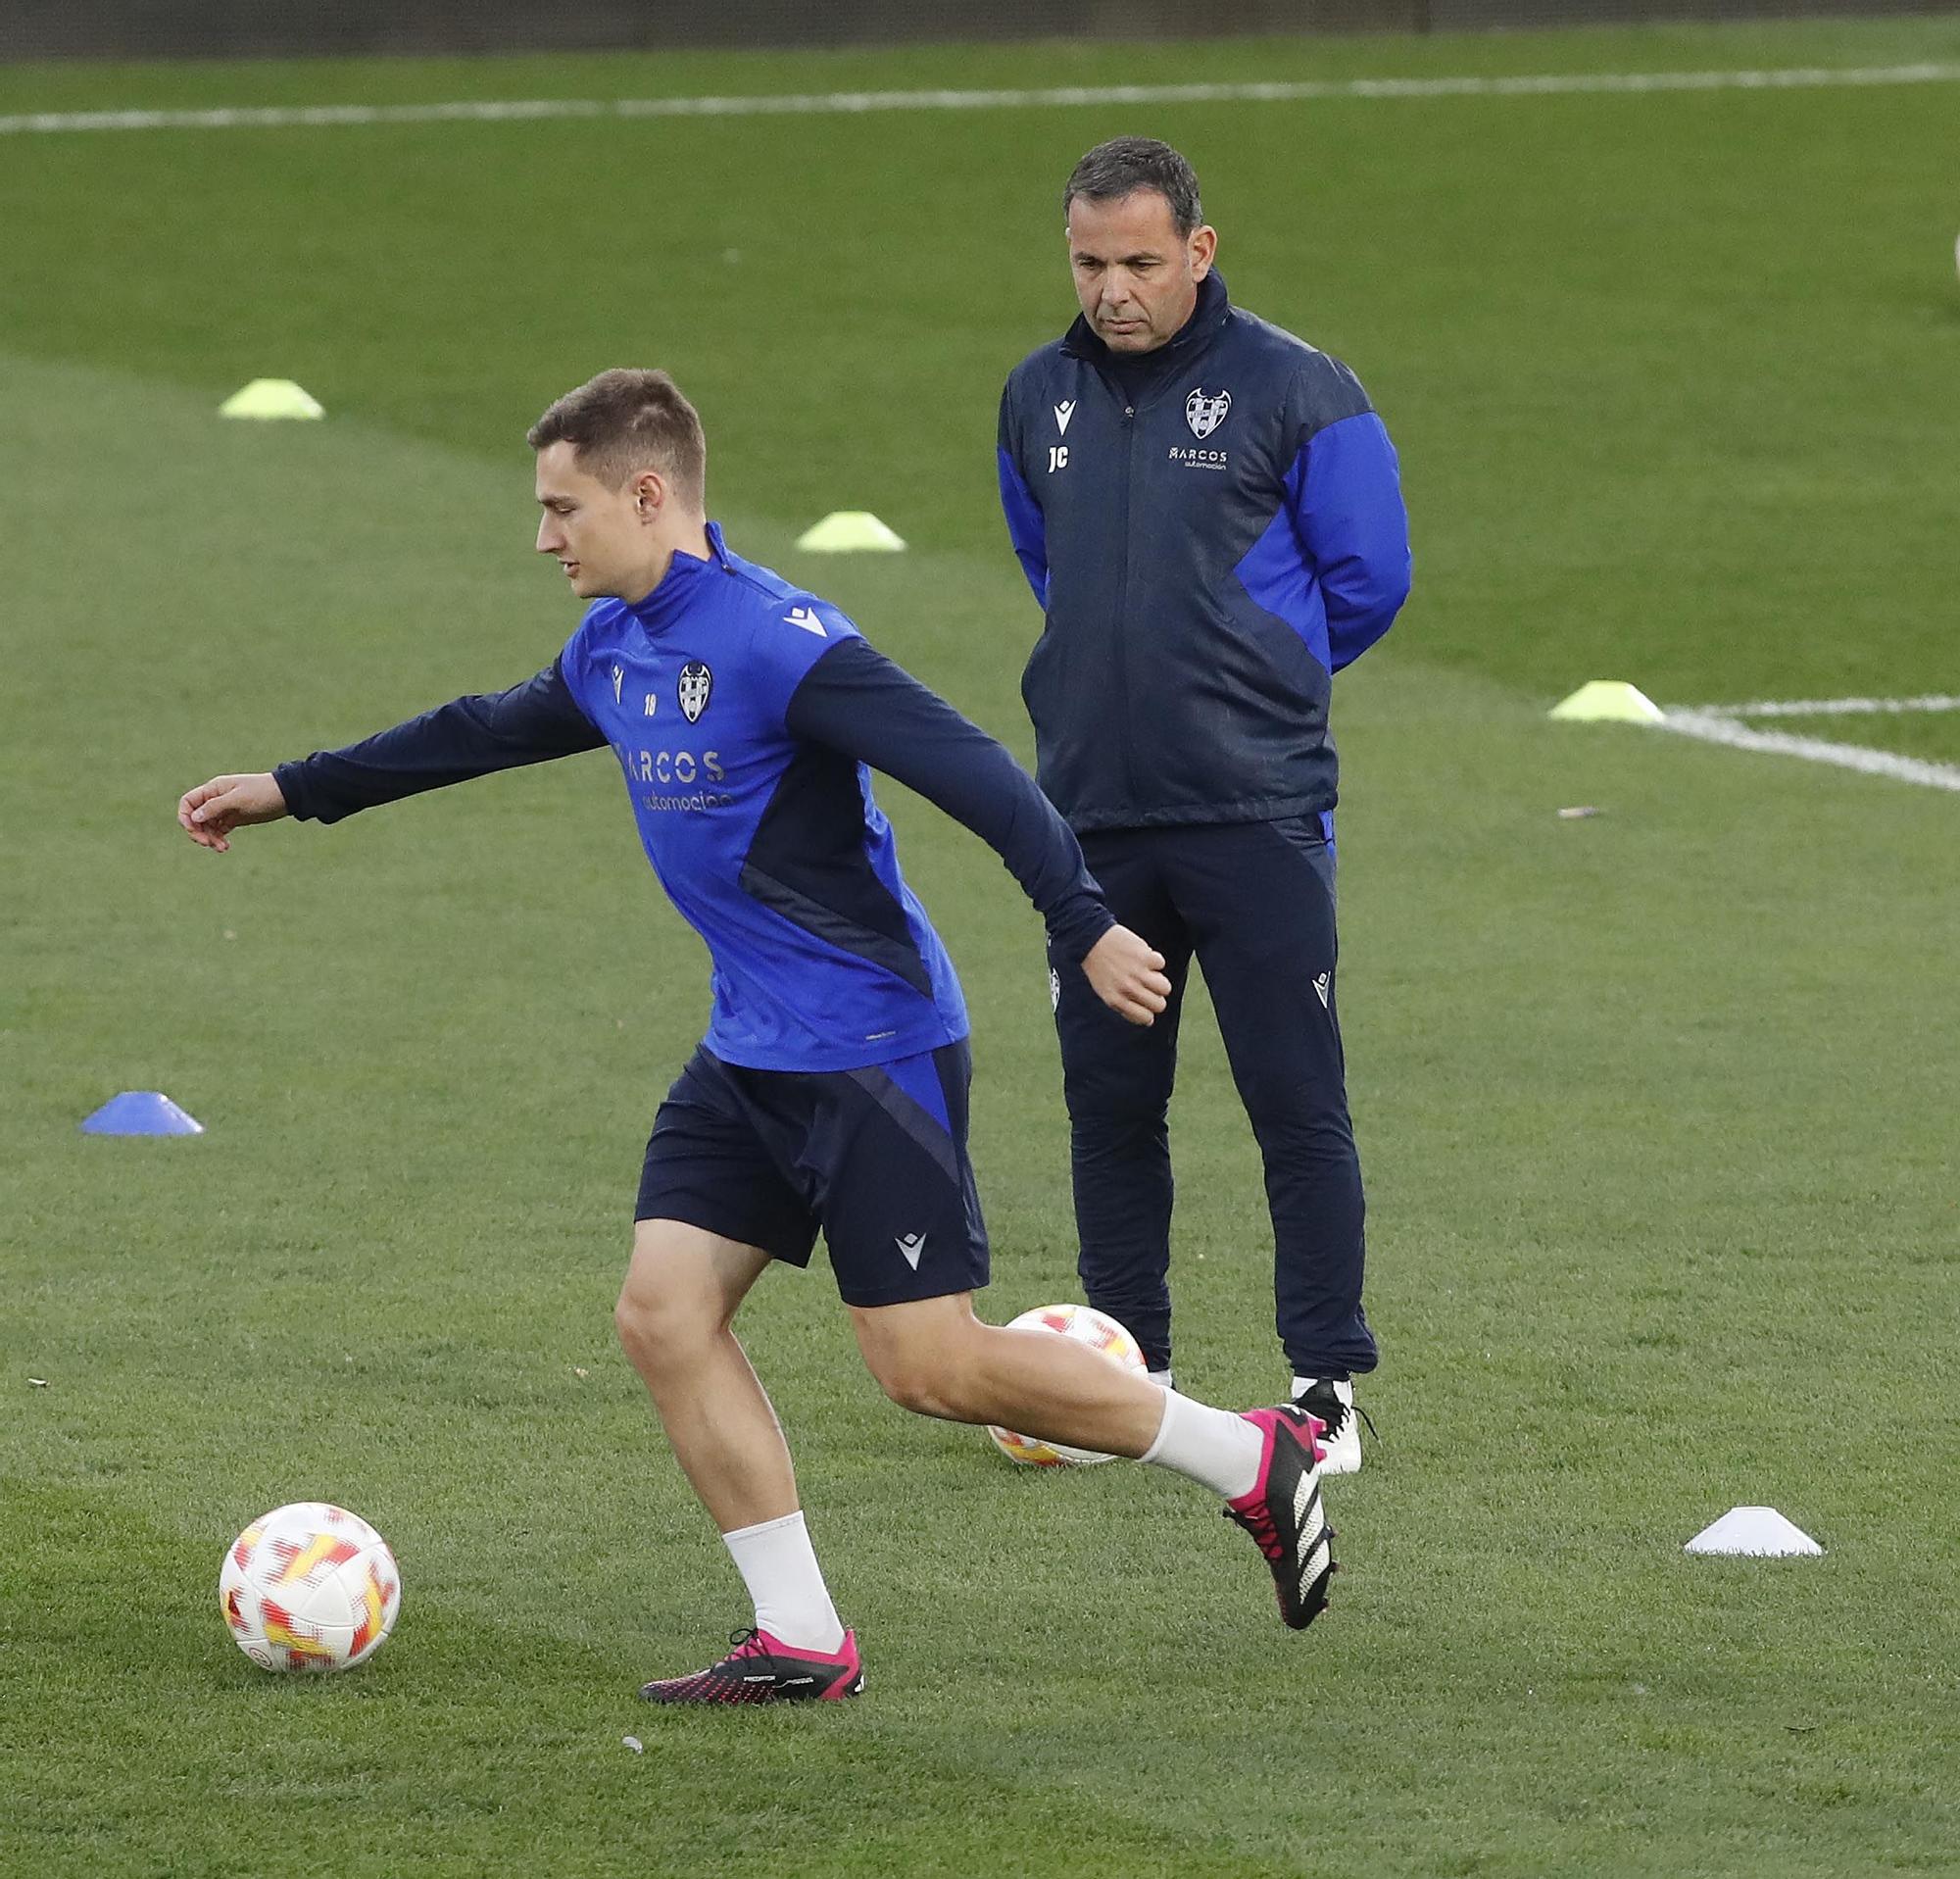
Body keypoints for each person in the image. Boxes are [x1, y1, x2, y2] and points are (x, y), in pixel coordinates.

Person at [177, 368, 1338, 1705]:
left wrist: (1082, 920)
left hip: (871, 1050)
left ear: (647, 493)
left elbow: (974, 771)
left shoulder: (779, 640)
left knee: (932, 1366)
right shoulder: (614, 649)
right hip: (749, 1057)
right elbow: (483, 731)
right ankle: (799, 1634)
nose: (544, 537)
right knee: (663, 1315)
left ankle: (1251, 1459)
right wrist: (294, 792)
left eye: (563, 509)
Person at [996, 138, 1412, 1472]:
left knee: (1296, 1100)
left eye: (1140, 262)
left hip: (1255, 816)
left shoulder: (1299, 389)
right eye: (1089, 261)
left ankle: (1327, 1389)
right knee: (1109, 1106)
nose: (1113, 289)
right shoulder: (1036, 395)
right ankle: (1134, 1379)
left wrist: (1253, 682)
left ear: (1200, 251)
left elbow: (1371, 580)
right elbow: (1041, 560)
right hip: (1094, 825)